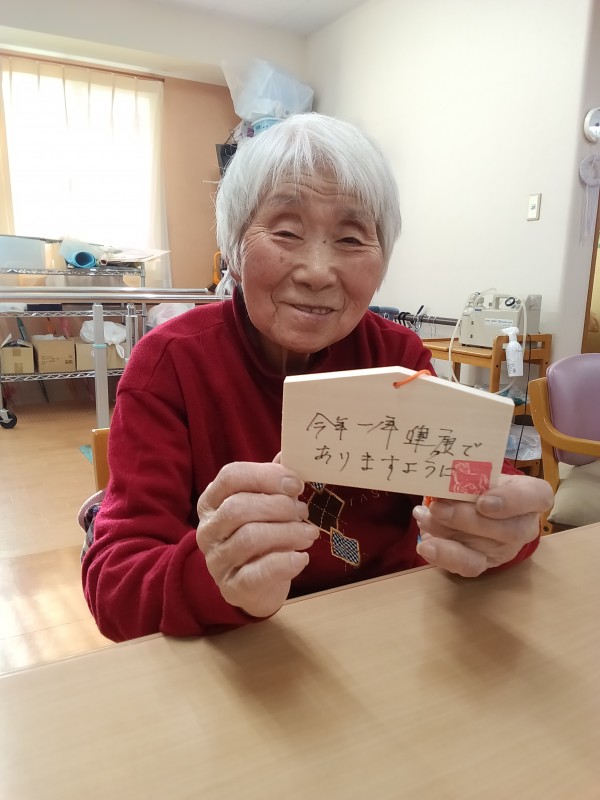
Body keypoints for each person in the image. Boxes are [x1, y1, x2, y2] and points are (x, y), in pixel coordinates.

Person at [81, 113, 553, 641]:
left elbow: (483, 484)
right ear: (233, 249)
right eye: (286, 231)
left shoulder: (397, 356)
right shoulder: (171, 364)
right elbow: (115, 586)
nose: (317, 271)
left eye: (351, 239)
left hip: (388, 633)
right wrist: (214, 575)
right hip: (241, 650)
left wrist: (503, 528)